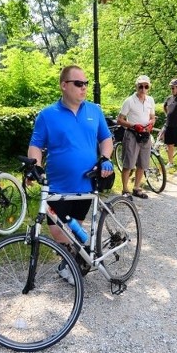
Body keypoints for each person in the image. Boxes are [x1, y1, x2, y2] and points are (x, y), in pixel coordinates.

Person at [28, 65, 114, 284]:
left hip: (87, 183)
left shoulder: (94, 111)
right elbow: (36, 145)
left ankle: (75, 262)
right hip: (58, 186)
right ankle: (77, 259)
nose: (84, 88)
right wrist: (35, 166)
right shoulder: (48, 115)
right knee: (58, 230)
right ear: (64, 86)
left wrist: (105, 157)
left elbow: (106, 139)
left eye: (85, 83)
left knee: (75, 225)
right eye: (78, 83)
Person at [117, 75, 155, 198]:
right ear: (136, 86)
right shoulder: (129, 101)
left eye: (146, 86)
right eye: (141, 86)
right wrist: (133, 126)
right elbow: (120, 120)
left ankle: (137, 188)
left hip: (145, 134)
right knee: (128, 163)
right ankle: (125, 189)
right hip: (132, 134)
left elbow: (152, 117)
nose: (143, 89)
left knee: (143, 163)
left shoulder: (150, 100)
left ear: (149, 87)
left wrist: (150, 124)